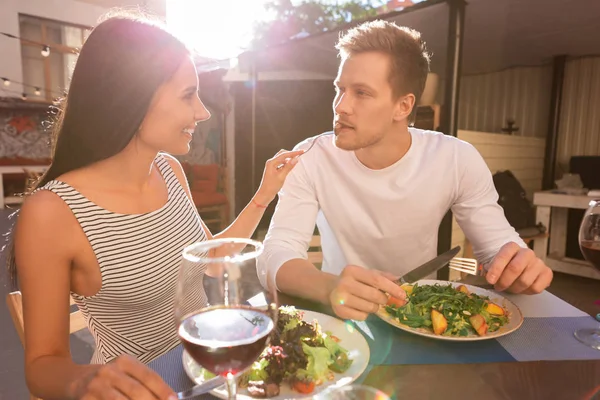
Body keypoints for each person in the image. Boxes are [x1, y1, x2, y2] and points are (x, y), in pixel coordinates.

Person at [9, 12, 302, 400]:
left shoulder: (169, 169)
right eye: (187, 94)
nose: (203, 111)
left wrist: (264, 194)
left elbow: (209, 260)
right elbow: (42, 365)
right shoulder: (52, 213)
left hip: (207, 364)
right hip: (142, 387)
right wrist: (82, 380)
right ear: (131, 97)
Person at [257, 20, 553, 322]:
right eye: (340, 89)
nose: (341, 106)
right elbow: (275, 253)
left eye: (361, 92)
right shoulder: (310, 157)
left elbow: (497, 248)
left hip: (424, 316)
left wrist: (518, 266)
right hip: (343, 317)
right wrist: (330, 286)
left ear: (403, 106)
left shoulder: (455, 158)